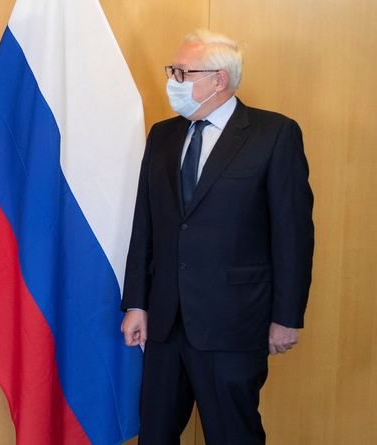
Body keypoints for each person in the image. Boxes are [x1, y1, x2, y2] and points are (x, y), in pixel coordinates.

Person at [120, 30, 313, 444]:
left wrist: (286, 317)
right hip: (166, 323)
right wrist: (136, 302)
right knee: (154, 433)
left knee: (232, 434)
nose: (172, 80)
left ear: (218, 79)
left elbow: (293, 234)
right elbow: (145, 224)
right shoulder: (163, 135)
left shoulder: (273, 135)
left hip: (234, 322)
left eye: (181, 72)